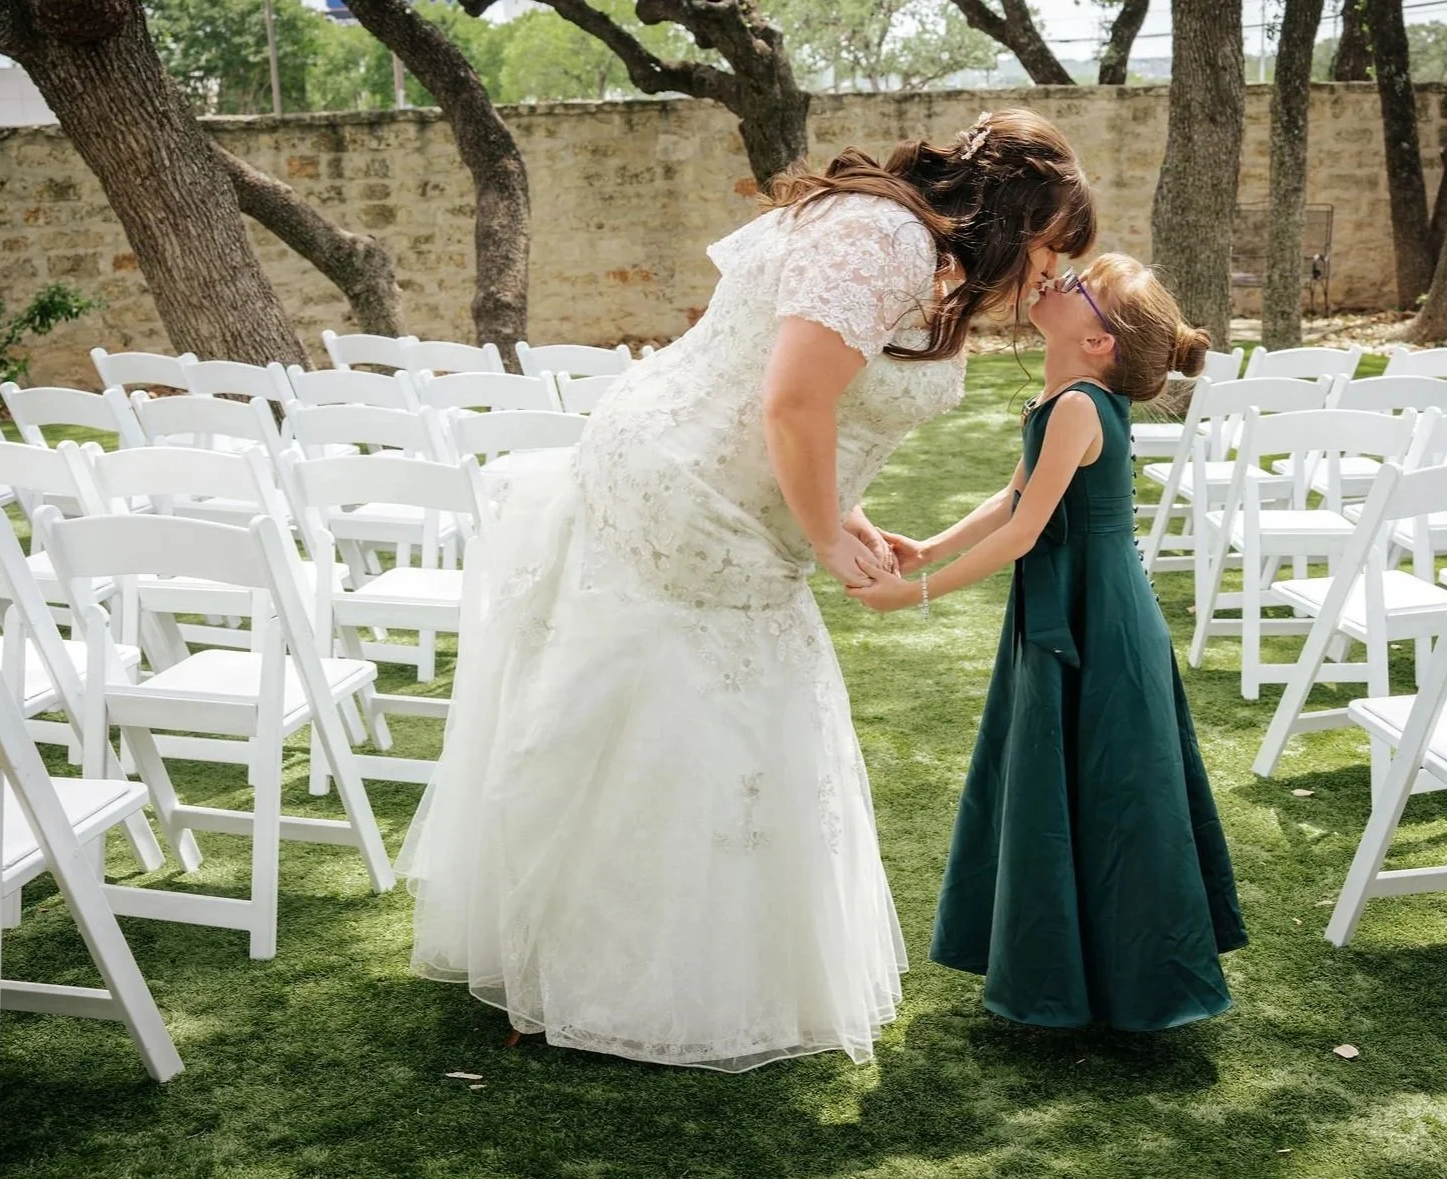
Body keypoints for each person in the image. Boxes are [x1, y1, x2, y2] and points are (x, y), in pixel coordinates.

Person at [395, 110, 1097, 1071]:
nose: (1050, 275)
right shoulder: (882, 237)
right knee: (664, 714)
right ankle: (583, 974)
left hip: (737, 489)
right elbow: (789, 398)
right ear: (1016, 215)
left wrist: (840, 516)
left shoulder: (903, 244)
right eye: (1052, 249)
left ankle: (658, 966)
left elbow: (823, 404)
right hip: (686, 489)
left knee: (716, 712)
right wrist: (821, 531)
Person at [850, 254, 1247, 1031]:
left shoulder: (1079, 408)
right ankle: (1081, 973)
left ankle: (1122, 982)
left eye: (1081, 288)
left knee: (1111, 786)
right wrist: (926, 548)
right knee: (1074, 780)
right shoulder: (1060, 397)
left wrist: (917, 593)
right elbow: (1014, 495)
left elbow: (1029, 530)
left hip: (1097, 613)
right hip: (1073, 605)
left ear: (1100, 343)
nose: (1058, 281)